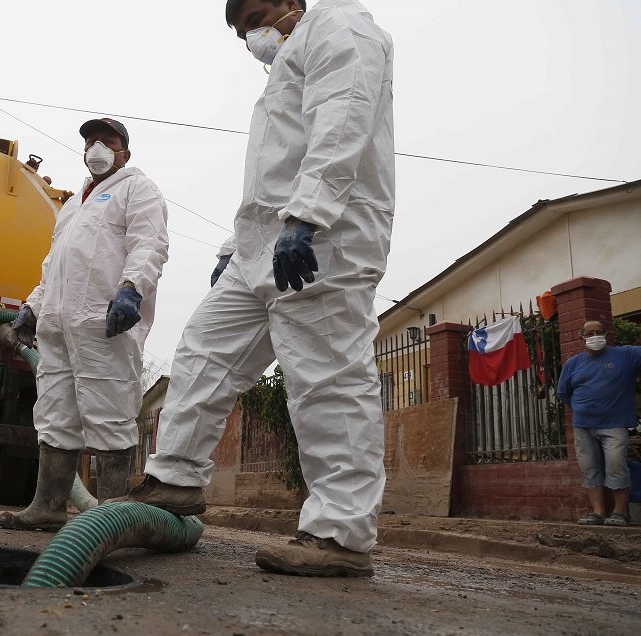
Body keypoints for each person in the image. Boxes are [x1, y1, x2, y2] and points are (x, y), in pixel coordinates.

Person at [118, 0, 395, 578]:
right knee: (203, 352)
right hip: (264, 244)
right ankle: (174, 481)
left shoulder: (338, 26)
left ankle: (340, 536)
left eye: (256, 15)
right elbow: (274, 172)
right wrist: (231, 250)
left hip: (325, 237)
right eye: (243, 29)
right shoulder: (285, 68)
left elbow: (343, 118)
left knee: (327, 379)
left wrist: (308, 216)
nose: (252, 33)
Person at [0, 118, 169, 530]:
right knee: (55, 415)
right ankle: (48, 507)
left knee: (110, 416)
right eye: (91, 141)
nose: (98, 148)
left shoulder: (138, 189)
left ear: (124, 151)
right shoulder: (74, 204)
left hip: (103, 323)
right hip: (56, 327)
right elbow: (53, 264)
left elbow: (150, 244)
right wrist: (33, 306)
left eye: (107, 142)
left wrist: (132, 288)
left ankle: (111, 519)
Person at [556, 319, 641, 527]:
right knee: (589, 468)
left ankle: (620, 513)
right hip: (583, 426)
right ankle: (597, 513)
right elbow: (563, 393)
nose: (595, 336)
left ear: (606, 335)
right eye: (590, 333)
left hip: (614, 424)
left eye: (599, 332)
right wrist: (582, 408)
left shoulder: (625, 355)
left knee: (616, 465)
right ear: (582, 338)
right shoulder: (573, 364)